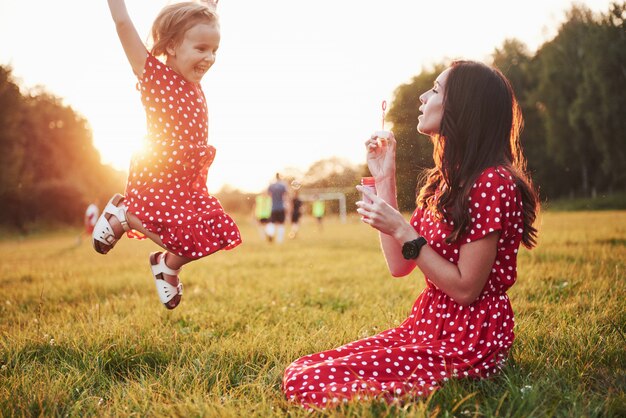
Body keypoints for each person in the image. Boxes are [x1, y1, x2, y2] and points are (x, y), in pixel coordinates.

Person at [283, 60, 539, 408]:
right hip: (428, 323)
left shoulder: (492, 182)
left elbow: (466, 289)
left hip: (469, 338)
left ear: (461, 108)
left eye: (434, 90)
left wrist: (405, 231)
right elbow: (398, 265)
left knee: (309, 382)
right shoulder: (444, 182)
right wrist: (385, 177)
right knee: (303, 369)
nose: (422, 97)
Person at [92, 0, 241, 310]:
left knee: (218, 231)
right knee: (184, 236)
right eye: (201, 49)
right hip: (160, 176)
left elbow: (203, 19)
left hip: (189, 181)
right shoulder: (154, 76)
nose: (209, 58)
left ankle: (167, 265)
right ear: (172, 46)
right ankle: (125, 216)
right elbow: (122, 25)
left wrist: (211, 5)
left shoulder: (192, 80)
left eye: (214, 50)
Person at [267, 173, 289, 243]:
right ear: (280, 177)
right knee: (281, 224)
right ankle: (279, 240)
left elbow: (269, 195)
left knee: (272, 223)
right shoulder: (283, 185)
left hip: (273, 207)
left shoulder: (271, 185)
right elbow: (286, 196)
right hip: (281, 207)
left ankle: (271, 233)